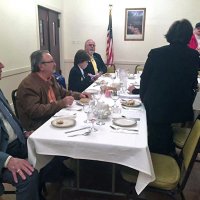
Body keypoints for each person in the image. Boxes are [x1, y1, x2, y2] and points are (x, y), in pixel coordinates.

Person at [140, 19, 199, 156]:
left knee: (156, 131)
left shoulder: (156, 53)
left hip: (156, 106)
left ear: (170, 34)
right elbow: (192, 82)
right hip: (180, 107)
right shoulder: (194, 55)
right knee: (163, 129)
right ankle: (168, 150)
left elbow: (145, 79)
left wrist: (144, 99)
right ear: (188, 36)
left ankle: (157, 156)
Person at [16, 50, 90, 131]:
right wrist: (61, 103)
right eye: (51, 62)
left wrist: (79, 95)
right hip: (39, 126)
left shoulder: (50, 78)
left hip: (55, 118)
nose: (55, 64)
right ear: (41, 66)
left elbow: (63, 92)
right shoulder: (28, 85)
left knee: (82, 123)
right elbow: (35, 111)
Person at [0, 62, 40, 200]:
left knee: (48, 149)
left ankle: (39, 193)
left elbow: (10, 119)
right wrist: (7, 160)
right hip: (3, 153)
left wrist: (23, 132)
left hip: (15, 143)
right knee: (28, 176)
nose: (2, 65)